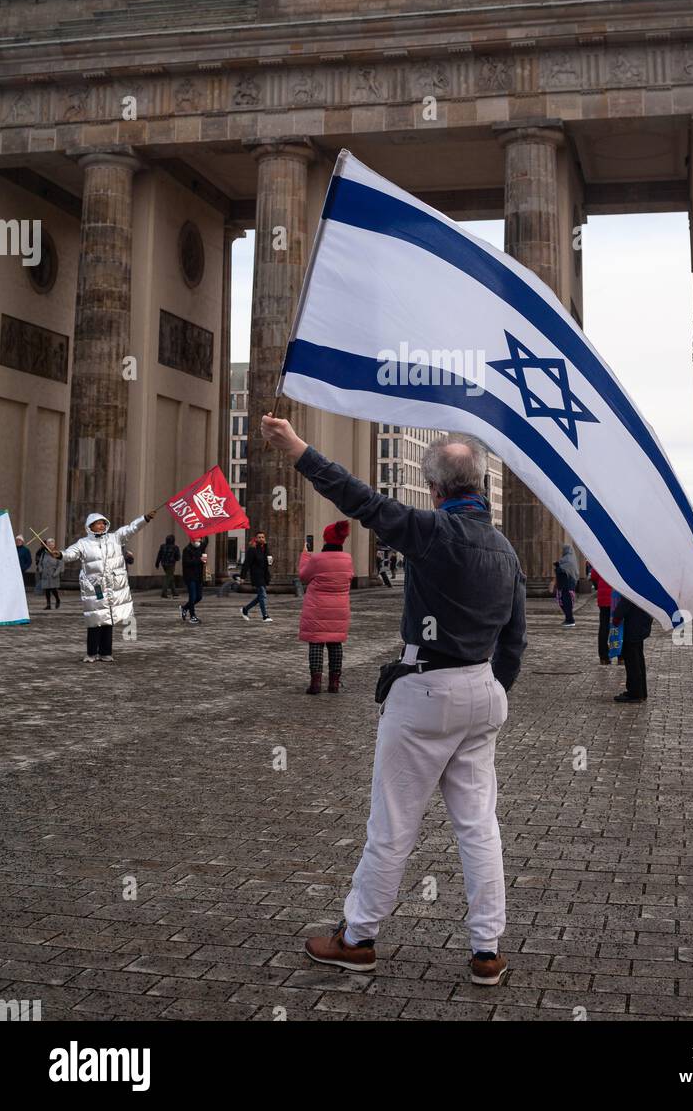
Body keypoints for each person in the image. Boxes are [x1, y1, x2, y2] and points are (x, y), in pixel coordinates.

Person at [261, 413, 526, 988]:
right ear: (480, 483)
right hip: (482, 691)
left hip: (426, 690)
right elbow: (516, 638)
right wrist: (491, 688)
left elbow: (360, 500)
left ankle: (357, 938)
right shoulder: (506, 550)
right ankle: (487, 950)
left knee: (394, 824)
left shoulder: (431, 531)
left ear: (433, 489)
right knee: (479, 826)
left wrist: (298, 448)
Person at [53, 510, 154, 662]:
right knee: (94, 620)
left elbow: (132, 528)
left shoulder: (116, 538)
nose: (101, 526)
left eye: (102, 523)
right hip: (95, 587)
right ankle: (91, 653)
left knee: (109, 619)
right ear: (90, 526)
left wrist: (145, 519)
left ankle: (106, 652)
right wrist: (60, 554)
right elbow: (71, 553)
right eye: (97, 524)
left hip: (113, 586)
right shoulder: (83, 543)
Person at [298, 520, 354, 693]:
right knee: (335, 644)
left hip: (317, 607)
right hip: (339, 608)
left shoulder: (317, 559)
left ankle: (315, 683)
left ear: (326, 539)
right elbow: (350, 577)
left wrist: (305, 556)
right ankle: (334, 683)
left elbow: (303, 577)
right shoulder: (347, 559)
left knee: (316, 643)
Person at [611, 595, 654, 702]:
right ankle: (641, 691)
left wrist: (617, 616)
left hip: (634, 624)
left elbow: (627, 599)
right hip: (641, 622)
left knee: (632, 660)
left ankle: (635, 693)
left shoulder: (634, 582)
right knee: (638, 658)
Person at [240, 532, 273, 623]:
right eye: (259, 537)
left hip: (264, 575)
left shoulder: (265, 549)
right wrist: (242, 576)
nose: (261, 539)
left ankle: (245, 609)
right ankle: (265, 616)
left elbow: (268, 562)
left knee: (260, 596)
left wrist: (270, 561)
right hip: (256, 575)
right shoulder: (252, 549)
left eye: (263, 537)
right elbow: (246, 563)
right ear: (256, 539)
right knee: (263, 595)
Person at [180, 537, 208, 624]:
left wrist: (204, 531)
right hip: (190, 576)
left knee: (199, 597)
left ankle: (185, 608)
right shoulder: (187, 549)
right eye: (197, 539)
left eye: (200, 539)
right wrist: (199, 560)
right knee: (192, 597)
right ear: (192, 540)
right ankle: (192, 616)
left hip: (198, 576)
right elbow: (187, 562)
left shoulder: (200, 548)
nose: (199, 541)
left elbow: (206, 542)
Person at [590, 567, 614, 663]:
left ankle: (603, 657)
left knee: (604, 626)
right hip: (617, 598)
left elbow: (593, 576)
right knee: (620, 626)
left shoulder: (600, 557)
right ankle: (621, 656)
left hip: (603, 599)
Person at [552, 545, 578, 627]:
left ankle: (570, 620)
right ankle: (568, 619)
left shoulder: (569, 560)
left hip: (567, 585)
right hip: (564, 585)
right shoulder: (566, 559)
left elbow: (563, 571)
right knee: (563, 602)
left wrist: (558, 567)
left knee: (567, 603)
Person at [35, 537, 62, 608]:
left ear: (54, 545)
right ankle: (48, 604)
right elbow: (40, 563)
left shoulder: (57, 553)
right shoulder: (44, 554)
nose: (50, 545)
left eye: (51, 544)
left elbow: (59, 565)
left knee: (53, 590)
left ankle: (57, 600)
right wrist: (41, 570)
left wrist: (55, 573)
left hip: (53, 575)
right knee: (47, 590)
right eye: (48, 544)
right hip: (45, 574)